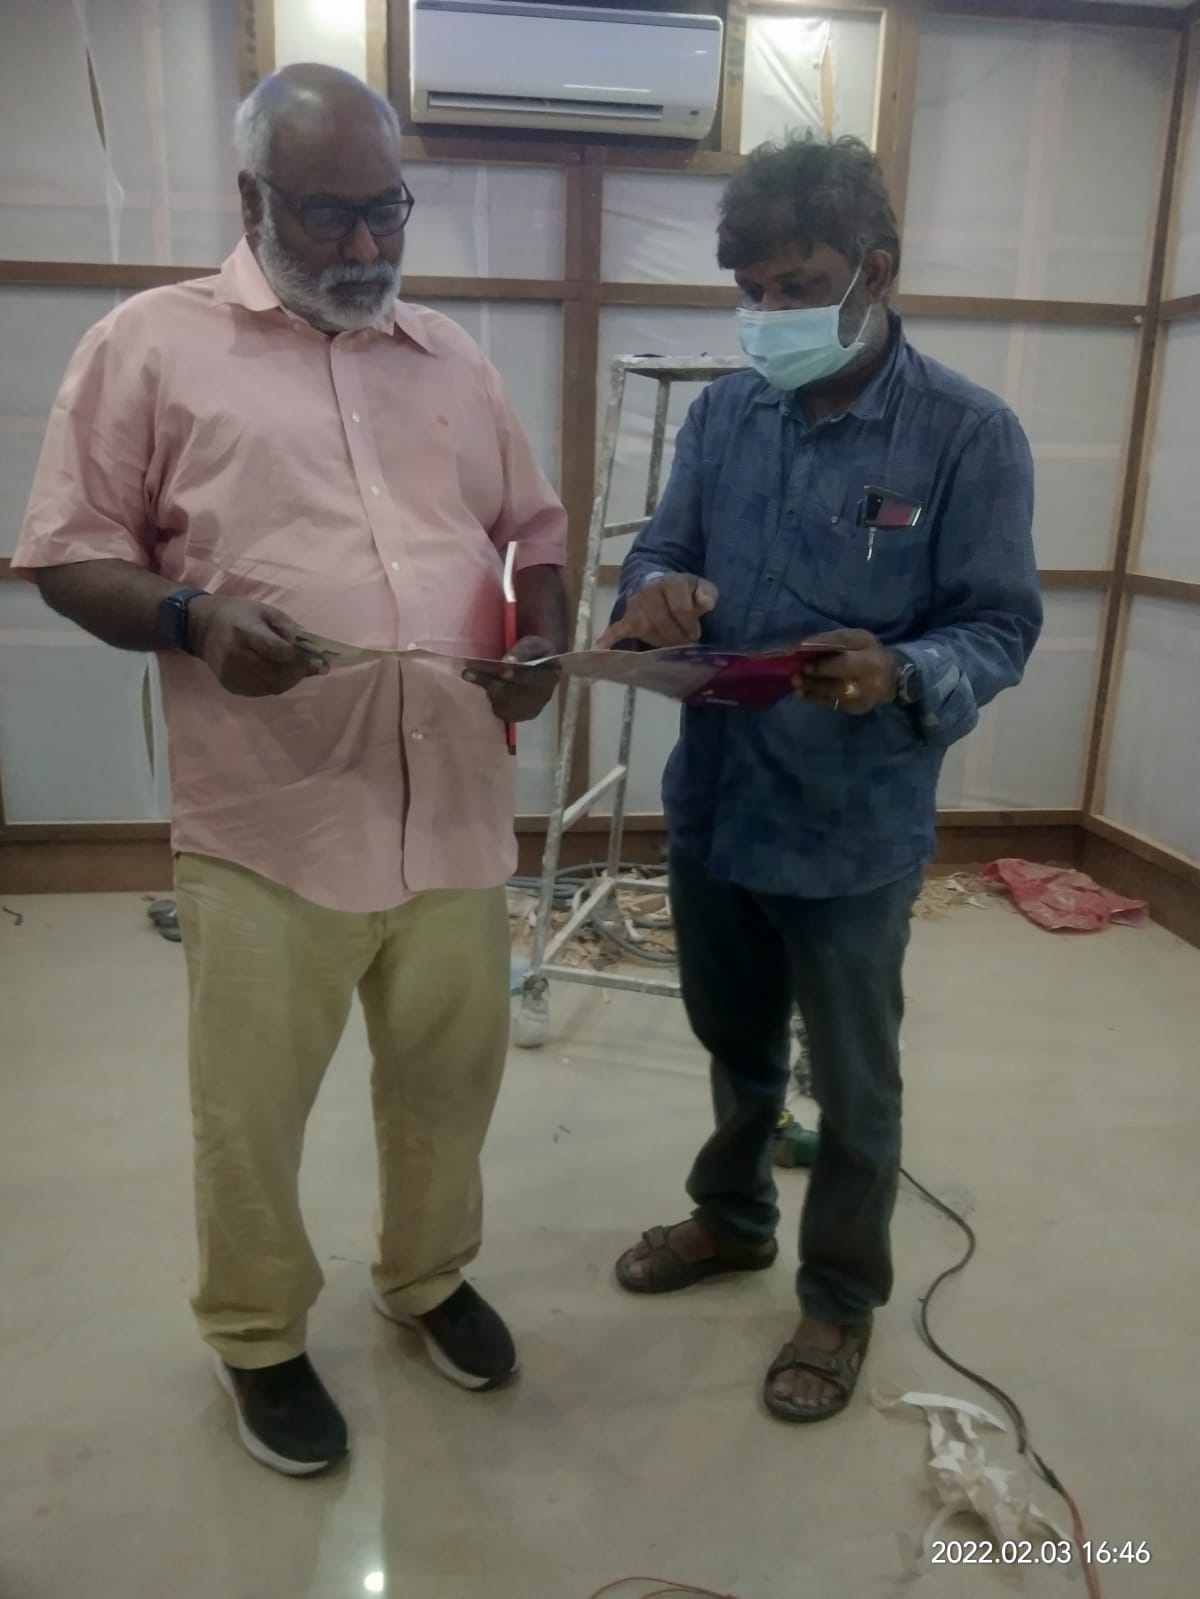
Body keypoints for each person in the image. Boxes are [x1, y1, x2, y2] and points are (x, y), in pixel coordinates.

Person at [14, 64, 567, 1476]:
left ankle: (428, 1276)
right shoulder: (151, 345)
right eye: (331, 215)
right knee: (251, 1113)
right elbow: (69, 556)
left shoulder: (451, 359)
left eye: (389, 211)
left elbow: (534, 534)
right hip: (271, 819)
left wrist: (543, 642)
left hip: (451, 808)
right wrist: (192, 618)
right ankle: (258, 1334)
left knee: (449, 1082)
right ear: (254, 199)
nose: (368, 247)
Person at [598, 133, 1041, 1423]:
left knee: (853, 1080)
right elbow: (659, 551)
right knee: (733, 1039)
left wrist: (901, 672)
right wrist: (655, 591)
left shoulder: (967, 435)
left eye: (796, 287)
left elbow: (999, 627)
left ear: (875, 272)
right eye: (750, 291)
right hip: (719, 800)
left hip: (851, 824)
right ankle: (733, 1218)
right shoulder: (725, 415)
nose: (767, 315)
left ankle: (840, 1296)